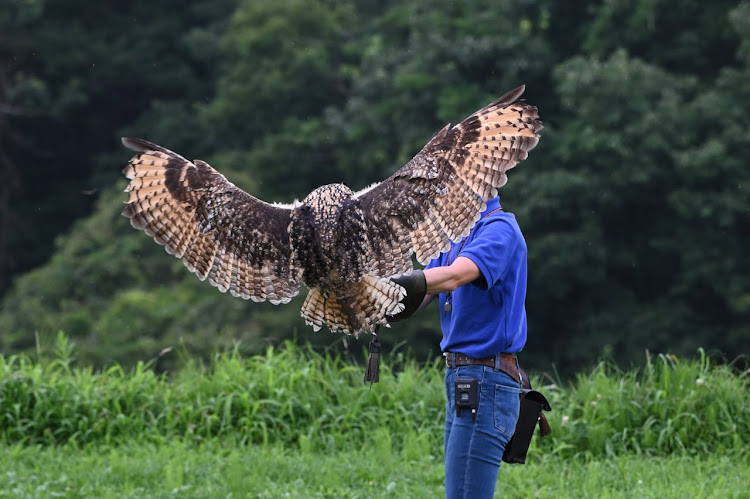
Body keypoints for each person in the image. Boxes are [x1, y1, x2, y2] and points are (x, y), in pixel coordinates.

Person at [391, 195, 527, 499]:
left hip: (486, 380)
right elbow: (420, 295)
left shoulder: (499, 229)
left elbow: (452, 277)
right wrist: (368, 298)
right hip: (465, 380)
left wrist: (392, 286)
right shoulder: (458, 236)